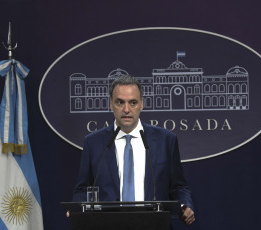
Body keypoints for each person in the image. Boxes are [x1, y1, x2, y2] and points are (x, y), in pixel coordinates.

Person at [72, 75, 195, 225]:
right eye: (120, 102)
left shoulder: (165, 140)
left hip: (153, 225)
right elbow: (82, 189)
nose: (126, 109)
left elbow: (178, 186)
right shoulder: (93, 142)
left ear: (142, 104)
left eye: (133, 102)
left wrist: (184, 205)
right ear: (111, 104)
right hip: (107, 226)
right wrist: (77, 209)